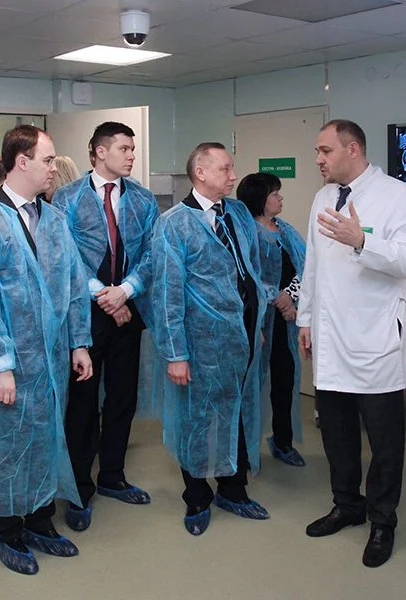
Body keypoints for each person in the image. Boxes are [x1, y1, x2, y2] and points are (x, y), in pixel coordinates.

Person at [0, 125, 93, 575]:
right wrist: (0, 366)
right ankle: (9, 530)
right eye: (48, 160)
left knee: (46, 437)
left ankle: (40, 520)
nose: (54, 168)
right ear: (22, 161)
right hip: (10, 361)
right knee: (8, 444)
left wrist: (79, 342)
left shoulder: (53, 220)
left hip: (51, 359)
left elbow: (75, 285)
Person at [298, 119, 406, 568]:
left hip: (374, 340)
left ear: (352, 149)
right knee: (337, 435)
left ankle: (382, 520)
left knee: (386, 443)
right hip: (330, 338)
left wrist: (363, 241)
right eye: (317, 151)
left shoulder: (396, 195)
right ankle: (346, 505)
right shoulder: (322, 197)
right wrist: (305, 319)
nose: (318, 159)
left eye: (325, 151)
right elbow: (313, 265)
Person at [151, 142, 268, 536]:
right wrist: (176, 354)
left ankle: (233, 490)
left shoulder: (237, 213)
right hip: (199, 340)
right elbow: (167, 294)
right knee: (198, 418)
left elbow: (250, 272)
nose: (233, 176)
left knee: (236, 409)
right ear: (200, 173)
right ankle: (197, 497)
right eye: (225, 169)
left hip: (241, 334)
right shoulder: (174, 224)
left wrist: (258, 324)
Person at [51, 122, 159, 531]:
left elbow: (153, 253)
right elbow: (64, 257)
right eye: (124, 148)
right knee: (81, 403)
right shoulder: (67, 198)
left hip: (129, 309)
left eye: (133, 149)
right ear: (99, 151)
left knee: (122, 397)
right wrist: (104, 296)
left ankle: (112, 475)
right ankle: (79, 488)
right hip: (85, 315)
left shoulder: (143, 199)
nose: (132, 155)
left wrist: (126, 291)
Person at [237, 172, 306, 467]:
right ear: (259, 199)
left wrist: (289, 297)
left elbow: (306, 267)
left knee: (284, 381)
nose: (280, 198)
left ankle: (283, 441)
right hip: (254, 321)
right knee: (249, 385)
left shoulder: (286, 231)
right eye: (275, 193)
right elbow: (244, 276)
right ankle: (242, 448)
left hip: (285, 321)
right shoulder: (244, 233)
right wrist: (274, 298)